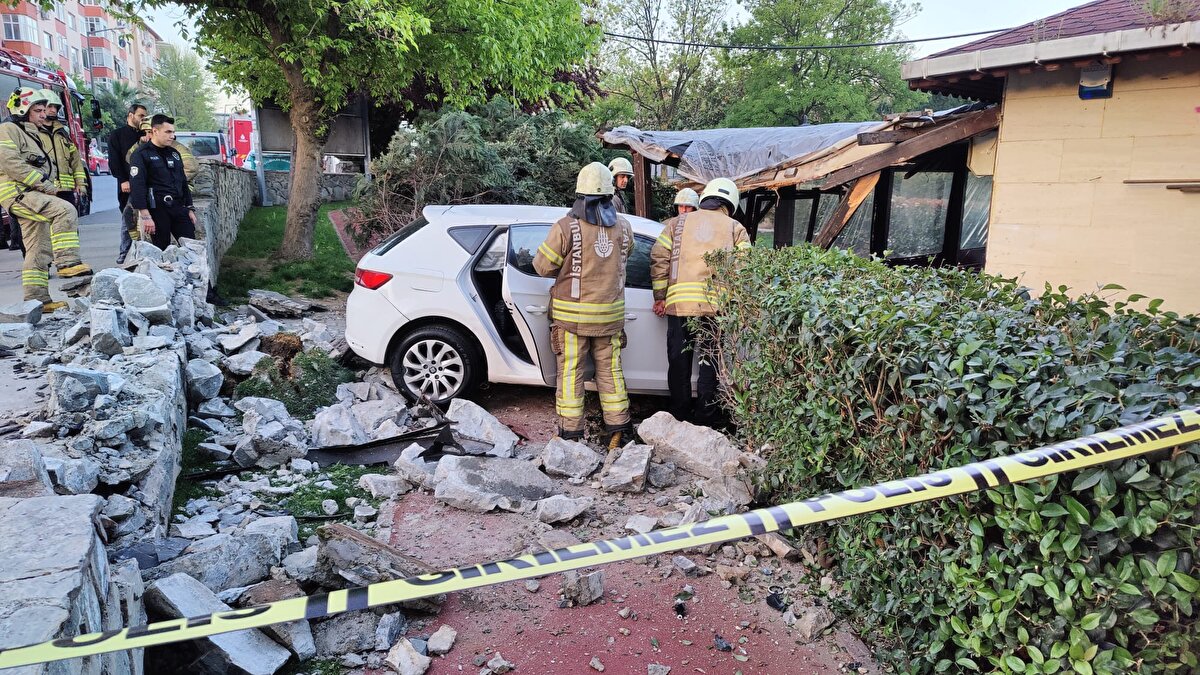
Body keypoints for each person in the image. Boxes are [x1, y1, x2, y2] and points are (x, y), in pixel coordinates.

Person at [533, 162, 635, 449]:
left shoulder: (566, 227)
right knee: (611, 372)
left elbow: (542, 266)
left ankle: (571, 433)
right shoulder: (624, 227)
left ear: (580, 194)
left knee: (570, 372)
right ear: (610, 194)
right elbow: (626, 255)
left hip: (571, 321)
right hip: (610, 319)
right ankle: (618, 429)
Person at [650, 177, 750, 427]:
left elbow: (659, 257)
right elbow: (745, 268)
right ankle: (706, 419)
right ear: (730, 203)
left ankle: (679, 415)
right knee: (709, 364)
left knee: (679, 362)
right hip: (715, 309)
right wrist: (736, 302)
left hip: (679, 306)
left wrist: (660, 296)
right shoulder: (735, 227)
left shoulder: (677, 223)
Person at [0, 87, 92, 311]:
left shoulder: (30, 132)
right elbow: (11, 163)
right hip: (20, 193)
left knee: (38, 249)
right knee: (65, 210)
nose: (44, 114)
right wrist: (45, 185)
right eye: (38, 110)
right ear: (23, 110)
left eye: (44, 110)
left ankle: (38, 301)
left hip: (31, 192)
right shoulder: (8, 129)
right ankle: (67, 262)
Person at [120, 119, 197, 258]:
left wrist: (189, 208)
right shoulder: (141, 154)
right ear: (155, 131)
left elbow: (183, 183)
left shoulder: (174, 153)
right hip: (157, 210)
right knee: (162, 252)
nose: (172, 136)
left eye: (173, 132)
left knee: (192, 249)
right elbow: (137, 186)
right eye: (168, 132)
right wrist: (146, 216)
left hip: (178, 207)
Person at [37, 89, 87, 212]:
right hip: (44, 190)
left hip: (66, 191)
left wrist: (80, 183)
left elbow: (75, 161)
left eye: (56, 107)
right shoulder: (33, 133)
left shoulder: (63, 133)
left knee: (70, 220)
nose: (53, 110)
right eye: (50, 106)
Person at [108, 103, 146, 261]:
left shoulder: (146, 134)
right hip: (127, 183)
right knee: (128, 217)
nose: (143, 119)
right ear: (131, 115)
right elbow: (114, 160)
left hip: (145, 182)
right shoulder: (117, 135)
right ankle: (124, 252)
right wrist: (123, 180)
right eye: (141, 116)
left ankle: (141, 251)